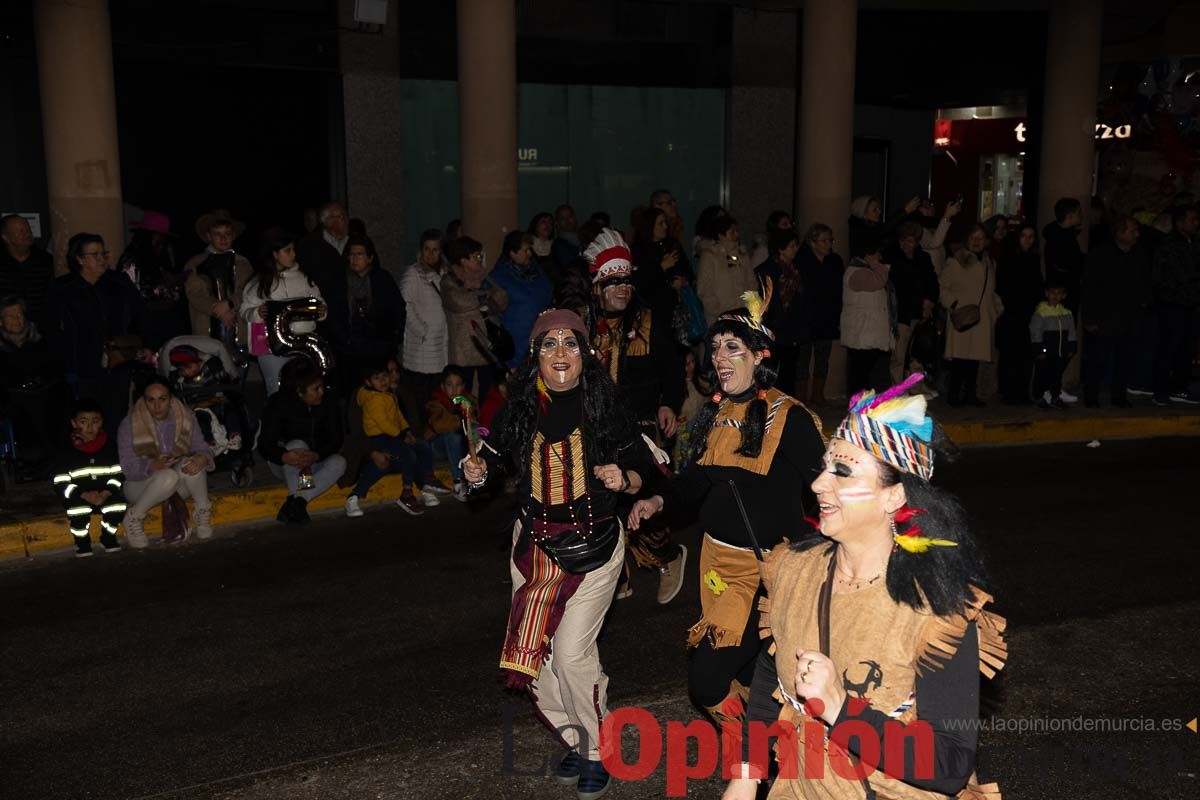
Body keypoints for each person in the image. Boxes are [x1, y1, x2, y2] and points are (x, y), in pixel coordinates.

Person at [721, 378, 1006, 800]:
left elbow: (949, 764)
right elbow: (771, 673)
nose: (819, 485)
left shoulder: (938, 608)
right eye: (823, 468)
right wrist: (745, 777)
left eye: (842, 472)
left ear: (894, 497)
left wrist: (839, 709)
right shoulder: (794, 569)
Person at [462, 308, 657, 799]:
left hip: (594, 550)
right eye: (549, 345)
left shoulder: (604, 405)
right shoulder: (522, 406)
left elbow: (645, 467)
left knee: (571, 656)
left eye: (570, 343)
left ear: (584, 352)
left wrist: (625, 478)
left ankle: (597, 748)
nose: (560, 354)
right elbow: (487, 453)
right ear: (536, 357)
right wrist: (474, 470)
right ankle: (573, 735)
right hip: (533, 551)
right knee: (537, 660)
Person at [627, 287, 826, 735]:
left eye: (732, 347)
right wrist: (657, 500)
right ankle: (775, 752)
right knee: (755, 672)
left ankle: (756, 753)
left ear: (759, 356)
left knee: (708, 678)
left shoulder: (787, 417)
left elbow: (825, 488)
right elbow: (698, 480)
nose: (718, 357)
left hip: (762, 574)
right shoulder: (716, 412)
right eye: (714, 348)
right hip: (714, 567)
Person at [586, 228, 687, 605]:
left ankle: (666, 556)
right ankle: (619, 571)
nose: (622, 288)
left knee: (641, 499)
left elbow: (673, 370)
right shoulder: (584, 327)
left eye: (627, 281)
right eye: (613, 282)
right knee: (604, 502)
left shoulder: (648, 321)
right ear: (598, 287)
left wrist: (669, 404)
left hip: (642, 429)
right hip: (601, 432)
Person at [47, 233, 146, 428]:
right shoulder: (63, 288)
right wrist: (63, 360)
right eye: (95, 255)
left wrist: (143, 343)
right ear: (79, 259)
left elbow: (141, 314)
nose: (102, 259)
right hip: (82, 365)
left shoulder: (119, 282)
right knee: (86, 417)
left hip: (118, 361)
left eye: (104, 253)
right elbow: (51, 327)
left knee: (116, 415)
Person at [117, 378, 214, 547]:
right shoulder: (129, 424)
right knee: (168, 476)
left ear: (171, 399)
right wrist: (151, 465)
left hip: (175, 487)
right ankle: (133, 518)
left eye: (162, 399)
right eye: (151, 400)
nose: (157, 406)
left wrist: (202, 457)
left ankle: (203, 511)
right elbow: (127, 468)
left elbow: (203, 448)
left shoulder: (186, 417)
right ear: (143, 400)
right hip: (140, 486)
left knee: (192, 464)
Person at [350, 360, 447, 517]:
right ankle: (357, 495)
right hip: (377, 441)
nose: (390, 378)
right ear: (368, 382)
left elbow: (403, 419)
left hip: (395, 438)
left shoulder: (397, 394)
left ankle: (426, 482)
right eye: (382, 376)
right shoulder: (370, 399)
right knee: (396, 458)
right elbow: (370, 428)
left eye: (392, 373)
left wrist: (407, 432)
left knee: (421, 447)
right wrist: (373, 451)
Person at [258, 358, 346, 524]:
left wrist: (317, 455)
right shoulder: (278, 403)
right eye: (316, 389)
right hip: (288, 465)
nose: (322, 392)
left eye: (322, 386)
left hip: (313, 463)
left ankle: (297, 502)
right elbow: (264, 444)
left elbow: (336, 440)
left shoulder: (328, 402)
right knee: (297, 445)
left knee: (339, 462)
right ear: (299, 391)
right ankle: (297, 503)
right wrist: (283, 455)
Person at [239, 229, 326, 396]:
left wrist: (321, 311)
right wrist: (256, 313)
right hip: (271, 348)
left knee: (303, 391)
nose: (293, 254)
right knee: (277, 391)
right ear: (275, 254)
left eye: (293, 250)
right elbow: (244, 310)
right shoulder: (260, 282)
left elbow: (319, 301)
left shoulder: (303, 278)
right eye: (288, 251)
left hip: (303, 346)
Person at [1082, 216, 1153, 408]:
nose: (1137, 234)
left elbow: (1146, 282)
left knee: (1125, 359)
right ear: (1120, 233)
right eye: (1132, 231)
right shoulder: (1100, 255)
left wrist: (1144, 304)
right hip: (1105, 317)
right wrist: (1090, 318)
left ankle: (1119, 395)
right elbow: (1089, 287)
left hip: (1130, 317)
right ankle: (1091, 396)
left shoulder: (1139, 255)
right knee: (1098, 359)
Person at [323, 233, 405, 396]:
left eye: (359, 254)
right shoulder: (339, 280)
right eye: (351, 254)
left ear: (370, 258)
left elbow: (398, 309)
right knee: (353, 394)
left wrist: (394, 338)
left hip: (378, 348)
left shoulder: (382, 279)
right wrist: (344, 339)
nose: (354, 258)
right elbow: (332, 314)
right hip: (349, 349)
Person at [52, 399, 127, 557]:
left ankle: (107, 537)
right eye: (83, 422)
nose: (90, 427)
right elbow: (60, 481)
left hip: (104, 494)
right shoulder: (65, 449)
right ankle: (82, 542)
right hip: (78, 496)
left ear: (102, 423)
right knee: (78, 511)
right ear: (74, 423)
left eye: (95, 421)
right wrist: (84, 495)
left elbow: (118, 474)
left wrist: (106, 493)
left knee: (118, 505)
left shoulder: (110, 447)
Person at [0, 295, 63, 476]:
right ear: (1, 321)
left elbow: (55, 368)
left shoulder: (41, 339)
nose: (17, 320)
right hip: (13, 398)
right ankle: (31, 458)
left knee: (56, 405)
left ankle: (53, 457)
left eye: (19, 315)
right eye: (10, 316)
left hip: (44, 392)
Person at [941, 224, 1003, 407]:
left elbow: (992, 291)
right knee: (960, 360)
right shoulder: (956, 261)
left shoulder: (989, 263)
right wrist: (953, 304)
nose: (976, 242)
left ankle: (970, 395)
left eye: (981, 238)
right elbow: (943, 286)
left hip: (981, 317)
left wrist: (996, 310)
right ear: (966, 240)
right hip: (962, 316)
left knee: (974, 360)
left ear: (986, 242)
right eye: (973, 238)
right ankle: (954, 395)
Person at [442, 235, 509, 399]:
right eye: (476, 256)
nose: (480, 259)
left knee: (488, 392)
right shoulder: (449, 279)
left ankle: (485, 422)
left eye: (481, 255)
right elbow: (459, 302)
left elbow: (502, 298)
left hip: (486, 343)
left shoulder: (483, 276)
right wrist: (485, 297)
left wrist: (485, 296)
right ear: (463, 261)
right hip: (465, 345)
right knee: (463, 391)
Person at [1149, 204, 1200, 406]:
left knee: (1186, 348)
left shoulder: (1194, 243)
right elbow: (1163, 277)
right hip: (1172, 305)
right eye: (1193, 219)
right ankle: (1160, 390)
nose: (1196, 223)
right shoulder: (1168, 245)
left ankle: (1179, 387)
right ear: (1180, 223)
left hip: (1191, 305)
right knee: (1168, 347)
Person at [400, 228, 449, 429]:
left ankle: (435, 433)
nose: (431, 254)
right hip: (422, 347)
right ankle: (421, 433)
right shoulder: (413, 273)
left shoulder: (445, 273)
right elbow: (405, 304)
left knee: (436, 395)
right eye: (427, 249)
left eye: (435, 249)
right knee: (420, 396)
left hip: (441, 345)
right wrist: (421, 330)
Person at [118, 212, 188, 350]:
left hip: (168, 321)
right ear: (144, 237)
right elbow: (129, 294)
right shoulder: (131, 260)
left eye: (163, 239)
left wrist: (175, 283)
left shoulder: (165, 256)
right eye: (157, 237)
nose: (161, 242)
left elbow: (174, 291)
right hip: (144, 322)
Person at [183, 210, 252, 350]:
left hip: (238, 330)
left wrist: (230, 304)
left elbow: (248, 290)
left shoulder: (243, 263)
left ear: (233, 236)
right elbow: (195, 295)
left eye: (227, 234)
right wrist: (219, 310)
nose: (223, 238)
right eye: (217, 234)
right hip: (206, 331)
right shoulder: (195, 263)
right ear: (208, 236)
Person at [884, 222, 940, 392]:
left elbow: (932, 283)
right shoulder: (893, 258)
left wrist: (929, 301)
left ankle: (915, 387)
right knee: (899, 355)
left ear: (916, 242)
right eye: (903, 240)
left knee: (917, 354)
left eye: (909, 240)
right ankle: (897, 390)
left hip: (919, 313)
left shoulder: (923, 258)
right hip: (900, 314)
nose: (905, 244)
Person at [794, 224, 843, 407]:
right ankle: (801, 398)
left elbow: (837, 290)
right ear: (812, 243)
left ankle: (817, 395)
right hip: (806, 316)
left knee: (823, 358)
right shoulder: (802, 260)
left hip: (827, 316)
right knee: (803, 359)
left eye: (830, 240)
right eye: (824, 240)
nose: (829, 244)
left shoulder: (834, 261)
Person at [995, 223, 1044, 404]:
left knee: (1025, 355)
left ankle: (1022, 392)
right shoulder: (1008, 259)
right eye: (1024, 236)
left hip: (1028, 315)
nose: (1028, 240)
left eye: (1031, 236)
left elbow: (1037, 286)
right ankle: (1008, 392)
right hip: (1012, 313)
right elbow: (1003, 286)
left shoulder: (1033, 258)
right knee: (1010, 355)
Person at [489, 230, 551, 371]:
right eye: (525, 250)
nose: (529, 253)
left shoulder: (535, 270)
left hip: (538, 334)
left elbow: (547, 291)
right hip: (515, 340)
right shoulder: (499, 276)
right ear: (512, 253)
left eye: (530, 249)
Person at [841, 235, 893, 397]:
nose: (880, 257)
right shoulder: (856, 272)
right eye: (877, 254)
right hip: (861, 334)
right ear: (868, 254)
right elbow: (877, 282)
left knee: (865, 373)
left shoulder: (864, 270)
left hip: (868, 333)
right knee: (859, 375)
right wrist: (877, 265)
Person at [754, 228, 803, 396]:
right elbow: (765, 301)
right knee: (770, 370)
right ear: (781, 249)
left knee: (789, 372)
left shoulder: (795, 270)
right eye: (792, 246)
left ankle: (786, 405)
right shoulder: (767, 270)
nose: (795, 250)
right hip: (773, 328)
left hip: (791, 328)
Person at [423, 364, 473, 501]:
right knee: (453, 435)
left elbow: (476, 422)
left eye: (458, 385)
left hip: (461, 449)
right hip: (438, 447)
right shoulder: (435, 402)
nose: (454, 389)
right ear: (443, 386)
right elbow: (439, 425)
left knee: (474, 433)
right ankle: (458, 483)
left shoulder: (468, 400)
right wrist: (463, 419)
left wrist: (467, 419)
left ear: (463, 386)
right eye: (449, 385)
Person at [697, 216, 754, 327]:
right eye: (732, 231)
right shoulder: (710, 256)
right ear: (721, 235)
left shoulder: (742, 255)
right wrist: (719, 310)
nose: (736, 235)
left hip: (743, 314)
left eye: (737, 231)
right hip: (719, 317)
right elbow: (705, 289)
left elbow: (751, 282)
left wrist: (750, 305)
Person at [0, 213, 55, 328]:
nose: (27, 233)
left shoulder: (46, 261)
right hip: (6, 332)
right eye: (20, 230)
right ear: (6, 237)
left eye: (28, 228)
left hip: (42, 330)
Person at [1030, 278, 1078, 409]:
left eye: (1059, 293)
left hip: (1061, 351)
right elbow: (1035, 333)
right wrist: (1040, 350)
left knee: (1057, 375)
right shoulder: (1041, 312)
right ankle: (1038, 397)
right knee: (1041, 374)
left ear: (1064, 295)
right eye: (1052, 293)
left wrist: (1072, 347)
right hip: (1046, 352)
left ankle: (1055, 397)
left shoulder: (1067, 313)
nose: (1055, 296)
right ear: (1046, 293)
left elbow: (1072, 332)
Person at [295, 201, 351, 297]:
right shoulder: (309, 245)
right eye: (339, 216)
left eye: (344, 216)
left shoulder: (355, 241)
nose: (344, 220)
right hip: (323, 302)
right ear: (326, 220)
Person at [1042, 197, 1085, 312]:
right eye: (1078, 212)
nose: (1082, 215)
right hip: (1062, 294)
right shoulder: (1058, 239)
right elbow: (1067, 264)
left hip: (1067, 292)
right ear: (1069, 216)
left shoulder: (1066, 234)